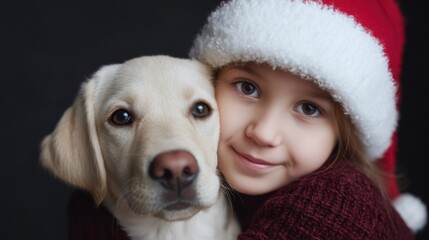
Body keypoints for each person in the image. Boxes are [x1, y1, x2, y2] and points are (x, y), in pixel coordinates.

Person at [189, 0, 427, 238]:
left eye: (309, 109)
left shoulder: (335, 203)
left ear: (344, 131)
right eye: (248, 88)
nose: (264, 133)